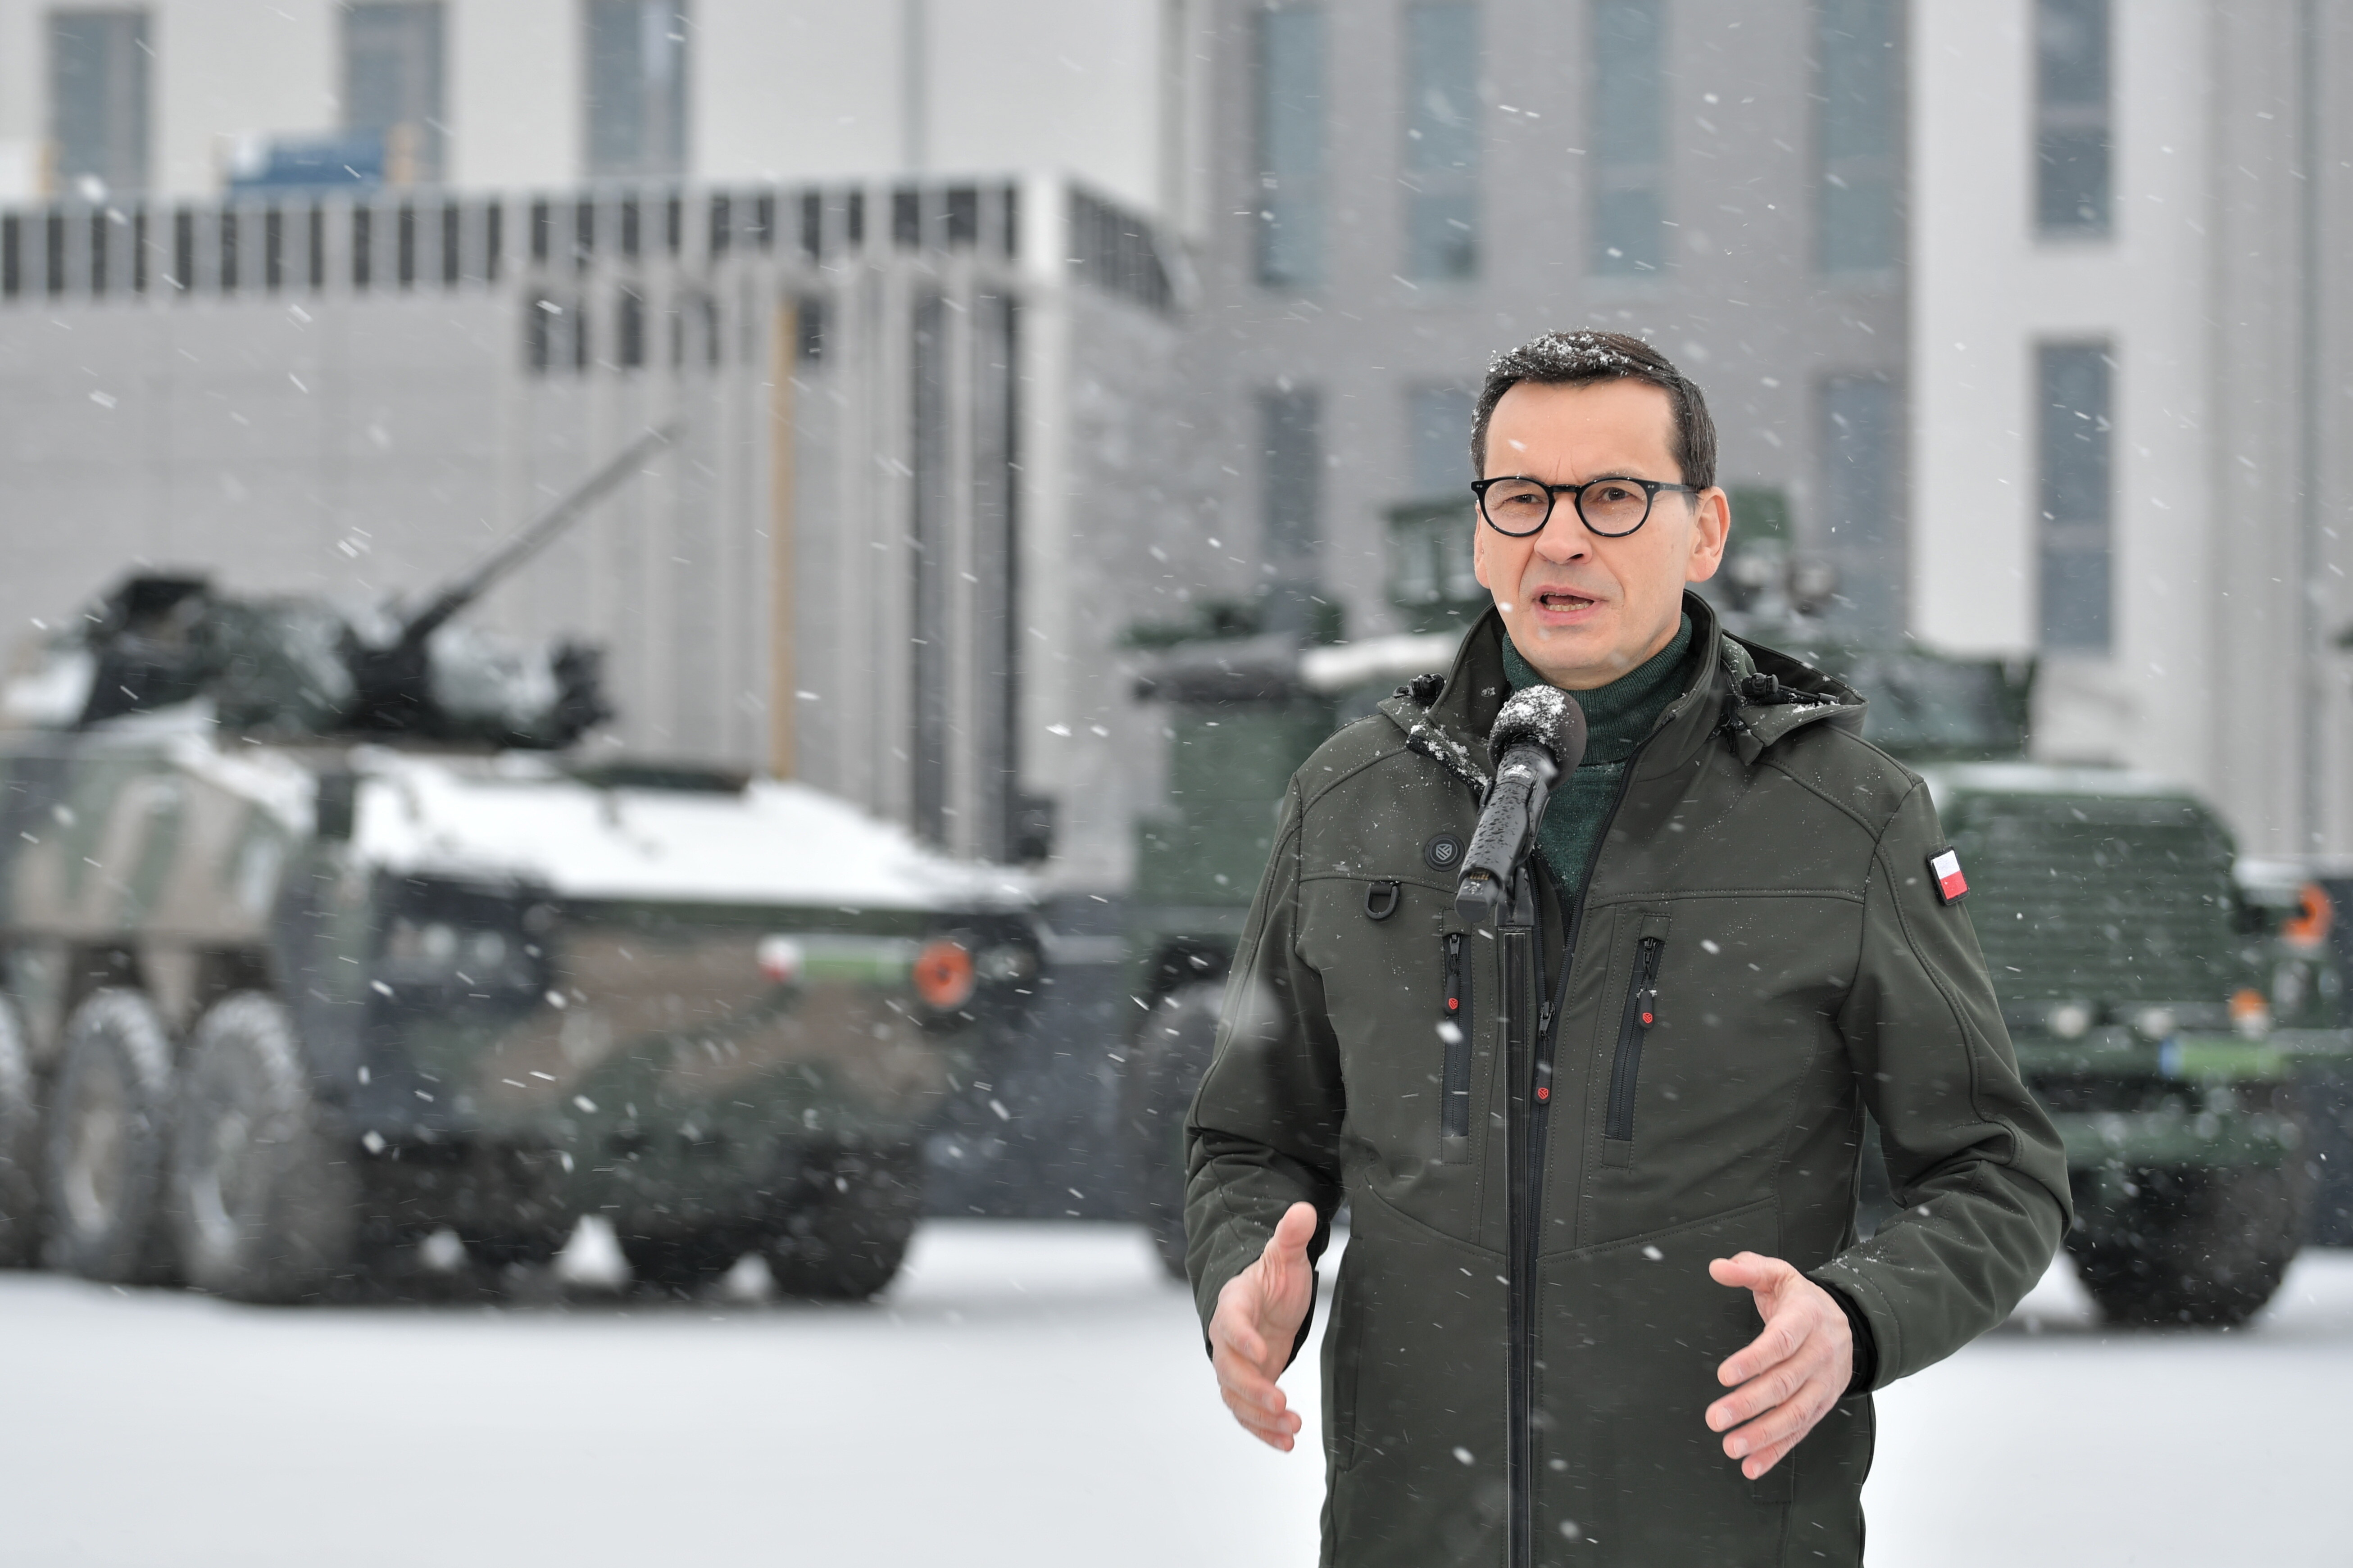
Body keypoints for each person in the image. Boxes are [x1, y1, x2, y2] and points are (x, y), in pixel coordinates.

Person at [1183, 330, 2070, 1565]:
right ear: (1482, 530)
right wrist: (1242, 1271)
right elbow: (1250, 1137)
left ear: (1704, 532)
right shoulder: (1347, 801)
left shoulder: (1847, 819)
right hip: (1413, 1532)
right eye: (1521, 497)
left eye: (1612, 497)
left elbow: (1997, 1171)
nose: (1560, 539)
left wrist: (1856, 1318)